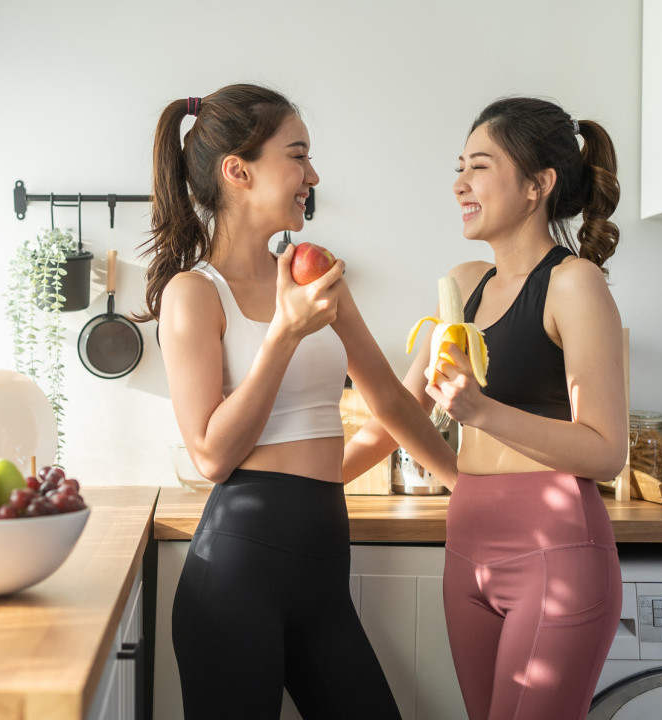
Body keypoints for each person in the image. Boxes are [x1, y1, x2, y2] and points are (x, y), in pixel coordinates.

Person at [142, 84, 456, 720]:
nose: (312, 175)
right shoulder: (194, 294)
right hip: (236, 573)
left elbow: (391, 401)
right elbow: (211, 453)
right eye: (298, 155)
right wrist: (284, 333)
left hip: (321, 574)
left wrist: (467, 487)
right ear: (238, 171)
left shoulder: (316, 274)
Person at [343, 96, 627, 720]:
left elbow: (606, 450)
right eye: (459, 167)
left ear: (538, 185)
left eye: (479, 166)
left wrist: (480, 411)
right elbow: (397, 409)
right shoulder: (464, 284)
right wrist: (312, 481)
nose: (459, 184)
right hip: (468, 542)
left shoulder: (574, 283)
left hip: (554, 551)